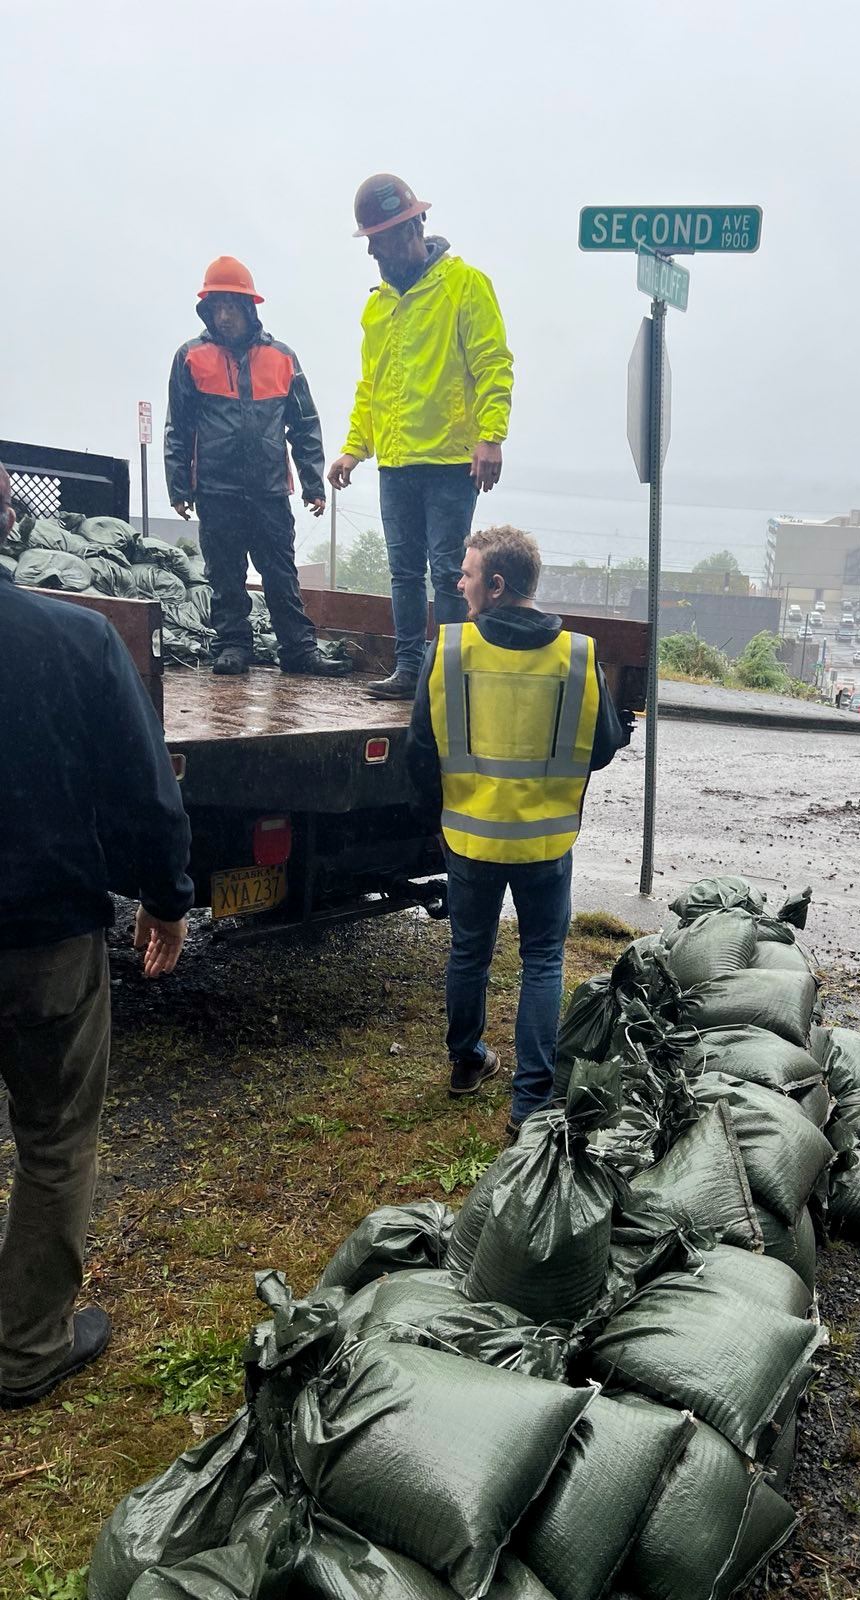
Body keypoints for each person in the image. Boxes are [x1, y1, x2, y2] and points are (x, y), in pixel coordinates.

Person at [0, 462, 194, 1409]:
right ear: (8, 523)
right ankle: (27, 1346)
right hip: (45, 936)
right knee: (54, 1141)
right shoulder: (75, 640)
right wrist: (166, 897)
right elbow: (140, 790)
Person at [405, 527, 631, 1135]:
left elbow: (419, 749)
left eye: (468, 573)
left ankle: (465, 1062)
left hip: (469, 838)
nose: (460, 583)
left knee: (469, 951)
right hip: (545, 841)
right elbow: (603, 747)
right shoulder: (578, 656)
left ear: (497, 585)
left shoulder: (449, 649)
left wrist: (439, 814)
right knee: (542, 960)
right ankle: (529, 1104)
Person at [328, 175, 514, 701]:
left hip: (452, 461)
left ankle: (450, 675)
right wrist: (354, 448)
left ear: (413, 227)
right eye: (369, 240)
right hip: (397, 463)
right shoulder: (378, 306)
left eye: (379, 239)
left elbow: (493, 364)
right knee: (403, 572)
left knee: (449, 571)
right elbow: (372, 386)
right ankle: (410, 669)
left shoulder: (464, 284)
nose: (373, 252)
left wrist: (491, 436)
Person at [165, 256, 349, 679]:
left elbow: (304, 424)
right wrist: (179, 487)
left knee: (281, 573)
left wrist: (312, 484)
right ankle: (232, 646)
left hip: (269, 490)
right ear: (207, 310)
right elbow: (179, 427)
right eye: (217, 307)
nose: (225, 316)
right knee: (224, 574)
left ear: (249, 308)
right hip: (216, 490)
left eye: (232, 306)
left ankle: (299, 650)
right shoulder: (190, 357)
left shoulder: (282, 358)